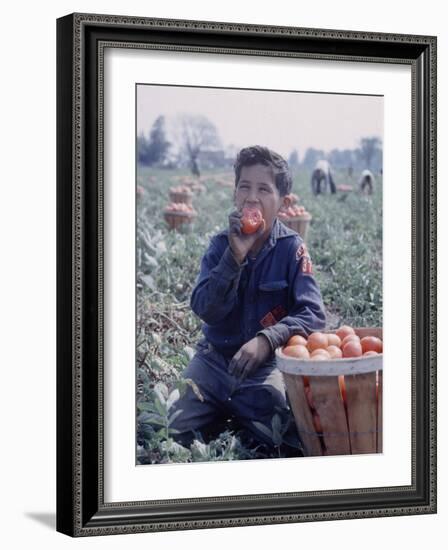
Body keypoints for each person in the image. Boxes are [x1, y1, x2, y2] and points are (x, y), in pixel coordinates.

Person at [170, 145, 326, 455]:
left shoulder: (292, 249)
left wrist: (268, 340)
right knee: (170, 427)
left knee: (288, 436)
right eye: (245, 187)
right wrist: (234, 256)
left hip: (262, 370)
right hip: (212, 362)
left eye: (264, 189)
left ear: (282, 202)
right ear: (235, 194)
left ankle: (236, 417)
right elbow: (205, 309)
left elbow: (313, 314)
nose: (252, 197)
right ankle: (223, 416)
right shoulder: (219, 246)